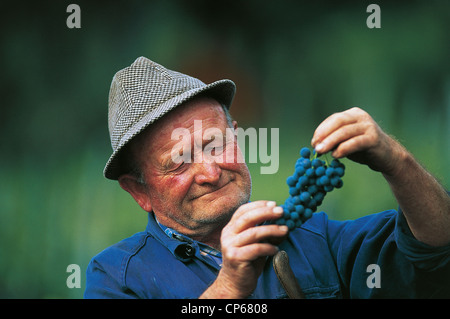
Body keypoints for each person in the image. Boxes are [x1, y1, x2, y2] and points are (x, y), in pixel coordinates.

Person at [84, 56, 450, 299]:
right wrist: (229, 286)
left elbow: (435, 251)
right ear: (138, 192)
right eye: (178, 163)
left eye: (215, 145)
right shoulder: (117, 277)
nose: (210, 172)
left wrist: (397, 162)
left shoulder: (317, 239)